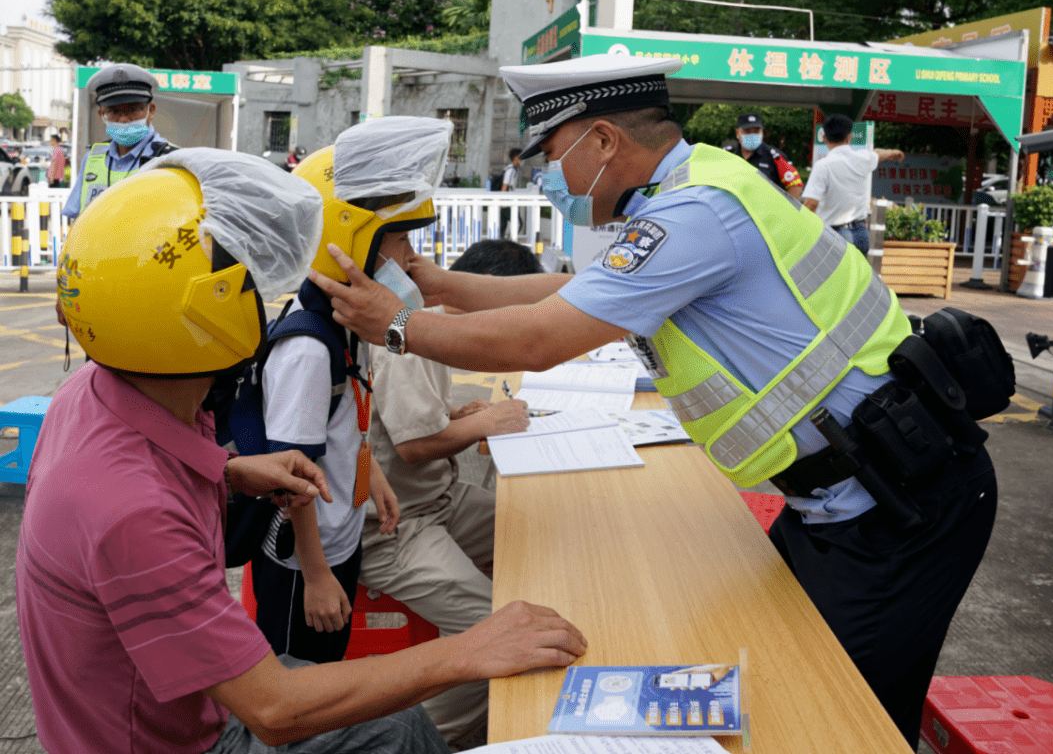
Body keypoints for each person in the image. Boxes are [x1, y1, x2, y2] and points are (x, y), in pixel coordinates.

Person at [307, 53, 998, 751]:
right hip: (849, 496)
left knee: (838, 723)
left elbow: (543, 338)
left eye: (551, 155)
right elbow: (569, 293)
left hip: (899, 504)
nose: (547, 178)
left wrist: (396, 324)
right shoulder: (696, 189)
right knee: (781, 673)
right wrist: (443, 286)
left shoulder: (693, 214)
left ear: (603, 141)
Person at [18, 148, 586, 754]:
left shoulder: (91, 391)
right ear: (206, 314)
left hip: (155, 695)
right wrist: (469, 651)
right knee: (400, 731)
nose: (263, 300)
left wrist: (230, 470)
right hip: (170, 739)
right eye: (245, 285)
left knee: (400, 721)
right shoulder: (135, 513)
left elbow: (119, 488)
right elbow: (274, 710)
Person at [250, 123, 422, 667]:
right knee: (303, 681)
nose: (413, 259)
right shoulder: (307, 347)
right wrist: (319, 577)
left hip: (339, 537)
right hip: (305, 560)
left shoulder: (349, 321)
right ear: (350, 243)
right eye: (402, 241)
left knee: (329, 663)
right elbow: (292, 475)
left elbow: (347, 420)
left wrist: (375, 483)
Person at [361, 237, 538, 746]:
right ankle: (434, 738)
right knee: (492, 629)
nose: (414, 258)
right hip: (398, 526)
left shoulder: (413, 320)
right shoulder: (398, 329)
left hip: (439, 499)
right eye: (403, 244)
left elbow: (409, 422)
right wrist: (491, 423)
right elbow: (415, 445)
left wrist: (456, 417)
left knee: (539, 533)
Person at [56, 62, 177, 326]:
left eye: (133, 110)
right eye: (114, 111)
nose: (123, 119)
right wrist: (63, 286)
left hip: (147, 286)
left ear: (150, 110)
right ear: (102, 114)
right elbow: (76, 226)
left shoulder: (171, 160)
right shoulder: (94, 158)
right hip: (95, 284)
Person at [802, 114, 904, 256]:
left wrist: (801, 230)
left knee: (835, 276)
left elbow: (811, 204)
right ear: (849, 137)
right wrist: (893, 152)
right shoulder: (862, 158)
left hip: (835, 235)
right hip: (861, 234)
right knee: (856, 276)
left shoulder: (823, 166)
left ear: (825, 138)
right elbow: (878, 153)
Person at [723, 111, 804, 198]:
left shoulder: (775, 156)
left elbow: (795, 186)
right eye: (747, 132)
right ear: (737, 133)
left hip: (765, 210)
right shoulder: (727, 155)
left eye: (756, 132)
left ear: (762, 132)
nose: (752, 135)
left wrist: (785, 210)